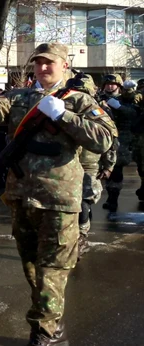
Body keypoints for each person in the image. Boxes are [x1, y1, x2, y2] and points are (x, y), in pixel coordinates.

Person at [0, 42, 116, 345]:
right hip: (22, 196)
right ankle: (49, 319)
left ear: (64, 66)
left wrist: (64, 117)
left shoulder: (79, 101)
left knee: (52, 269)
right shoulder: (22, 98)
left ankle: (45, 330)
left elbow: (104, 139)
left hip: (59, 200)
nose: (43, 68)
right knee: (31, 266)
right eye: (38, 63)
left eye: (49, 63)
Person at [72, 74, 116, 258]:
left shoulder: (97, 110)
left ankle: (81, 237)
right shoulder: (62, 107)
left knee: (83, 202)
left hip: (89, 164)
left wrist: (109, 166)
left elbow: (111, 139)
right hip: (64, 164)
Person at [98, 74, 137, 213]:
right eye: (107, 84)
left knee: (116, 170)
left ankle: (113, 199)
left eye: (113, 84)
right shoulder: (98, 99)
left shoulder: (126, 100)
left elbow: (133, 114)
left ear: (119, 86)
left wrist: (119, 106)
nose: (110, 86)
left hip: (120, 139)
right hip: (101, 138)